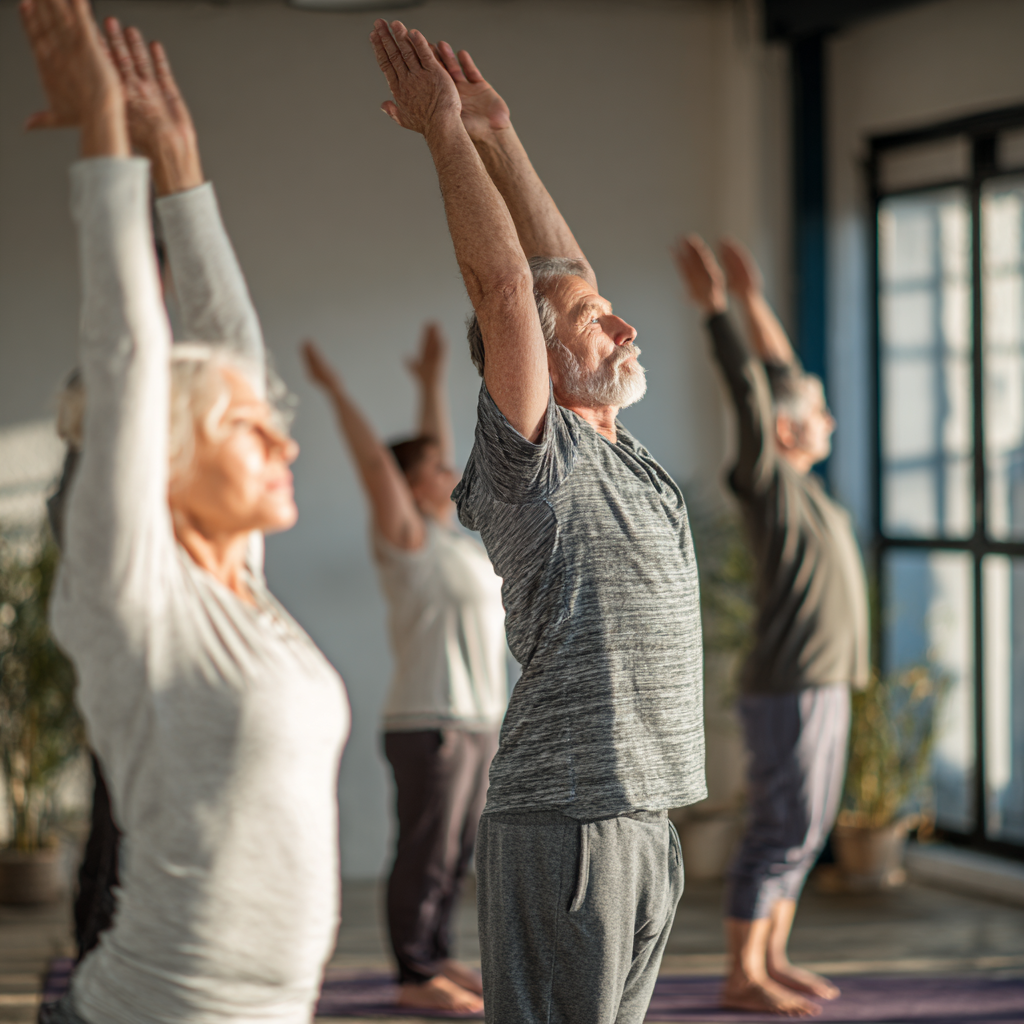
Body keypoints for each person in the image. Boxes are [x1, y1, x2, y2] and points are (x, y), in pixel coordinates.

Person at [20, 4, 351, 1023]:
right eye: (251, 431)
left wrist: (180, 157)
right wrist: (104, 135)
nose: (287, 445)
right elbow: (127, 346)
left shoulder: (240, 586)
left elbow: (231, 350)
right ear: (164, 456)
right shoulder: (133, 593)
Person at [370, 22, 705, 1024]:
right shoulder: (532, 464)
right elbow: (513, 289)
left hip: (645, 817)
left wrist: (501, 136)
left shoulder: (625, 455)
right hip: (564, 822)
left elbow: (559, 266)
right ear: (540, 368)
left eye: (613, 308)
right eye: (597, 320)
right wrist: (444, 137)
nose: (624, 324)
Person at [675, 235, 869, 1018]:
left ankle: (772, 957)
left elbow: (784, 380)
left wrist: (756, 303)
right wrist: (718, 314)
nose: (827, 419)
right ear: (789, 434)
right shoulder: (768, 486)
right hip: (788, 684)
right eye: (818, 416)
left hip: (824, 682)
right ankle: (740, 972)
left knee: (806, 828)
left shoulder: (809, 488)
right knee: (778, 827)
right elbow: (757, 397)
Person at [301, 327, 506, 1014]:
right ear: (412, 485)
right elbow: (374, 467)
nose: (451, 474)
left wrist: (429, 381)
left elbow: (429, 452)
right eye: (436, 470)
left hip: (476, 718)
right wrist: (336, 393)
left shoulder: (450, 542)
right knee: (424, 851)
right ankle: (413, 974)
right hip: (430, 721)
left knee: (453, 853)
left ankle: (437, 956)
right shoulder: (406, 542)